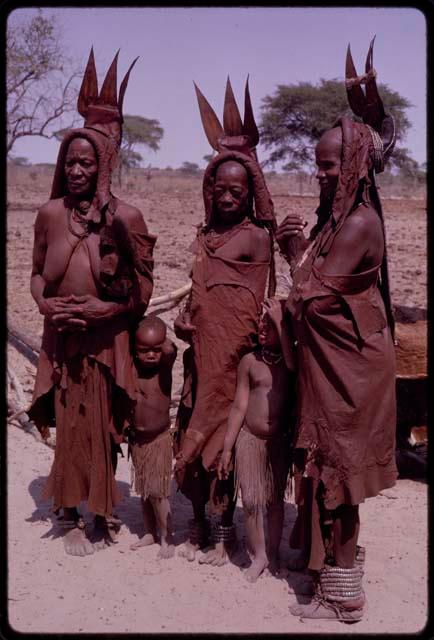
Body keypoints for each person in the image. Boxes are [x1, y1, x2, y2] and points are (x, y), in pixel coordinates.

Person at [276, 40, 398, 621]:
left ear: (351, 166)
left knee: (341, 473)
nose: (319, 174)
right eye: (318, 163)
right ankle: (332, 573)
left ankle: (345, 598)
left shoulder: (358, 223)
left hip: (351, 374)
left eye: (327, 165)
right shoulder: (340, 218)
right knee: (326, 468)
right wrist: (301, 250)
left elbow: (309, 292)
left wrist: (293, 248)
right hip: (335, 364)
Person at [28, 49, 156, 556]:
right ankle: (64, 509)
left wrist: (110, 311)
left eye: (87, 161)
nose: (77, 169)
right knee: (67, 419)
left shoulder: (127, 218)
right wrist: (46, 306)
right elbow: (36, 276)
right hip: (62, 337)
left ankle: (101, 513)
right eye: (70, 161)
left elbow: (141, 291)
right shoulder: (48, 214)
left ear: (103, 164)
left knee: (102, 425)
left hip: (106, 338)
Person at [173, 78, 277, 566]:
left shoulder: (256, 237)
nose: (229, 196)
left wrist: (247, 162)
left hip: (232, 364)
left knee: (222, 439)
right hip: (200, 359)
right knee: (189, 424)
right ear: (209, 190)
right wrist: (184, 320)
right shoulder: (204, 235)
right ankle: (198, 519)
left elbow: (248, 305)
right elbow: (200, 298)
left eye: (239, 189)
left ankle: (222, 528)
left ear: (249, 192)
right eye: (221, 188)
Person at [218, 298, 296, 582]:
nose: (263, 328)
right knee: (251, 500)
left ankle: (274, 552)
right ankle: (259, 554)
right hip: (249, 440)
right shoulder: (249, 362)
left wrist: (280, 320)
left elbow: (292, 365)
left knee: (275, 501)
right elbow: (239, 406)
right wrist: (227, 447)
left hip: (278, 442)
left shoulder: (289, 363)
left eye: (270, 324)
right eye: (261, 323)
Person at [128, 316, 177, 559]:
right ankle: (149, 532)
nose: (150, 355)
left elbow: (169, 351)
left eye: (155, 350)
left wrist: (158, 334)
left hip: (159, 439)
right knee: (144, 490)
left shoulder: (163, 371)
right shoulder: (131, 371)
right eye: (144, 351)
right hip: (137, 440)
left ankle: (167, 536)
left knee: (158, 491)